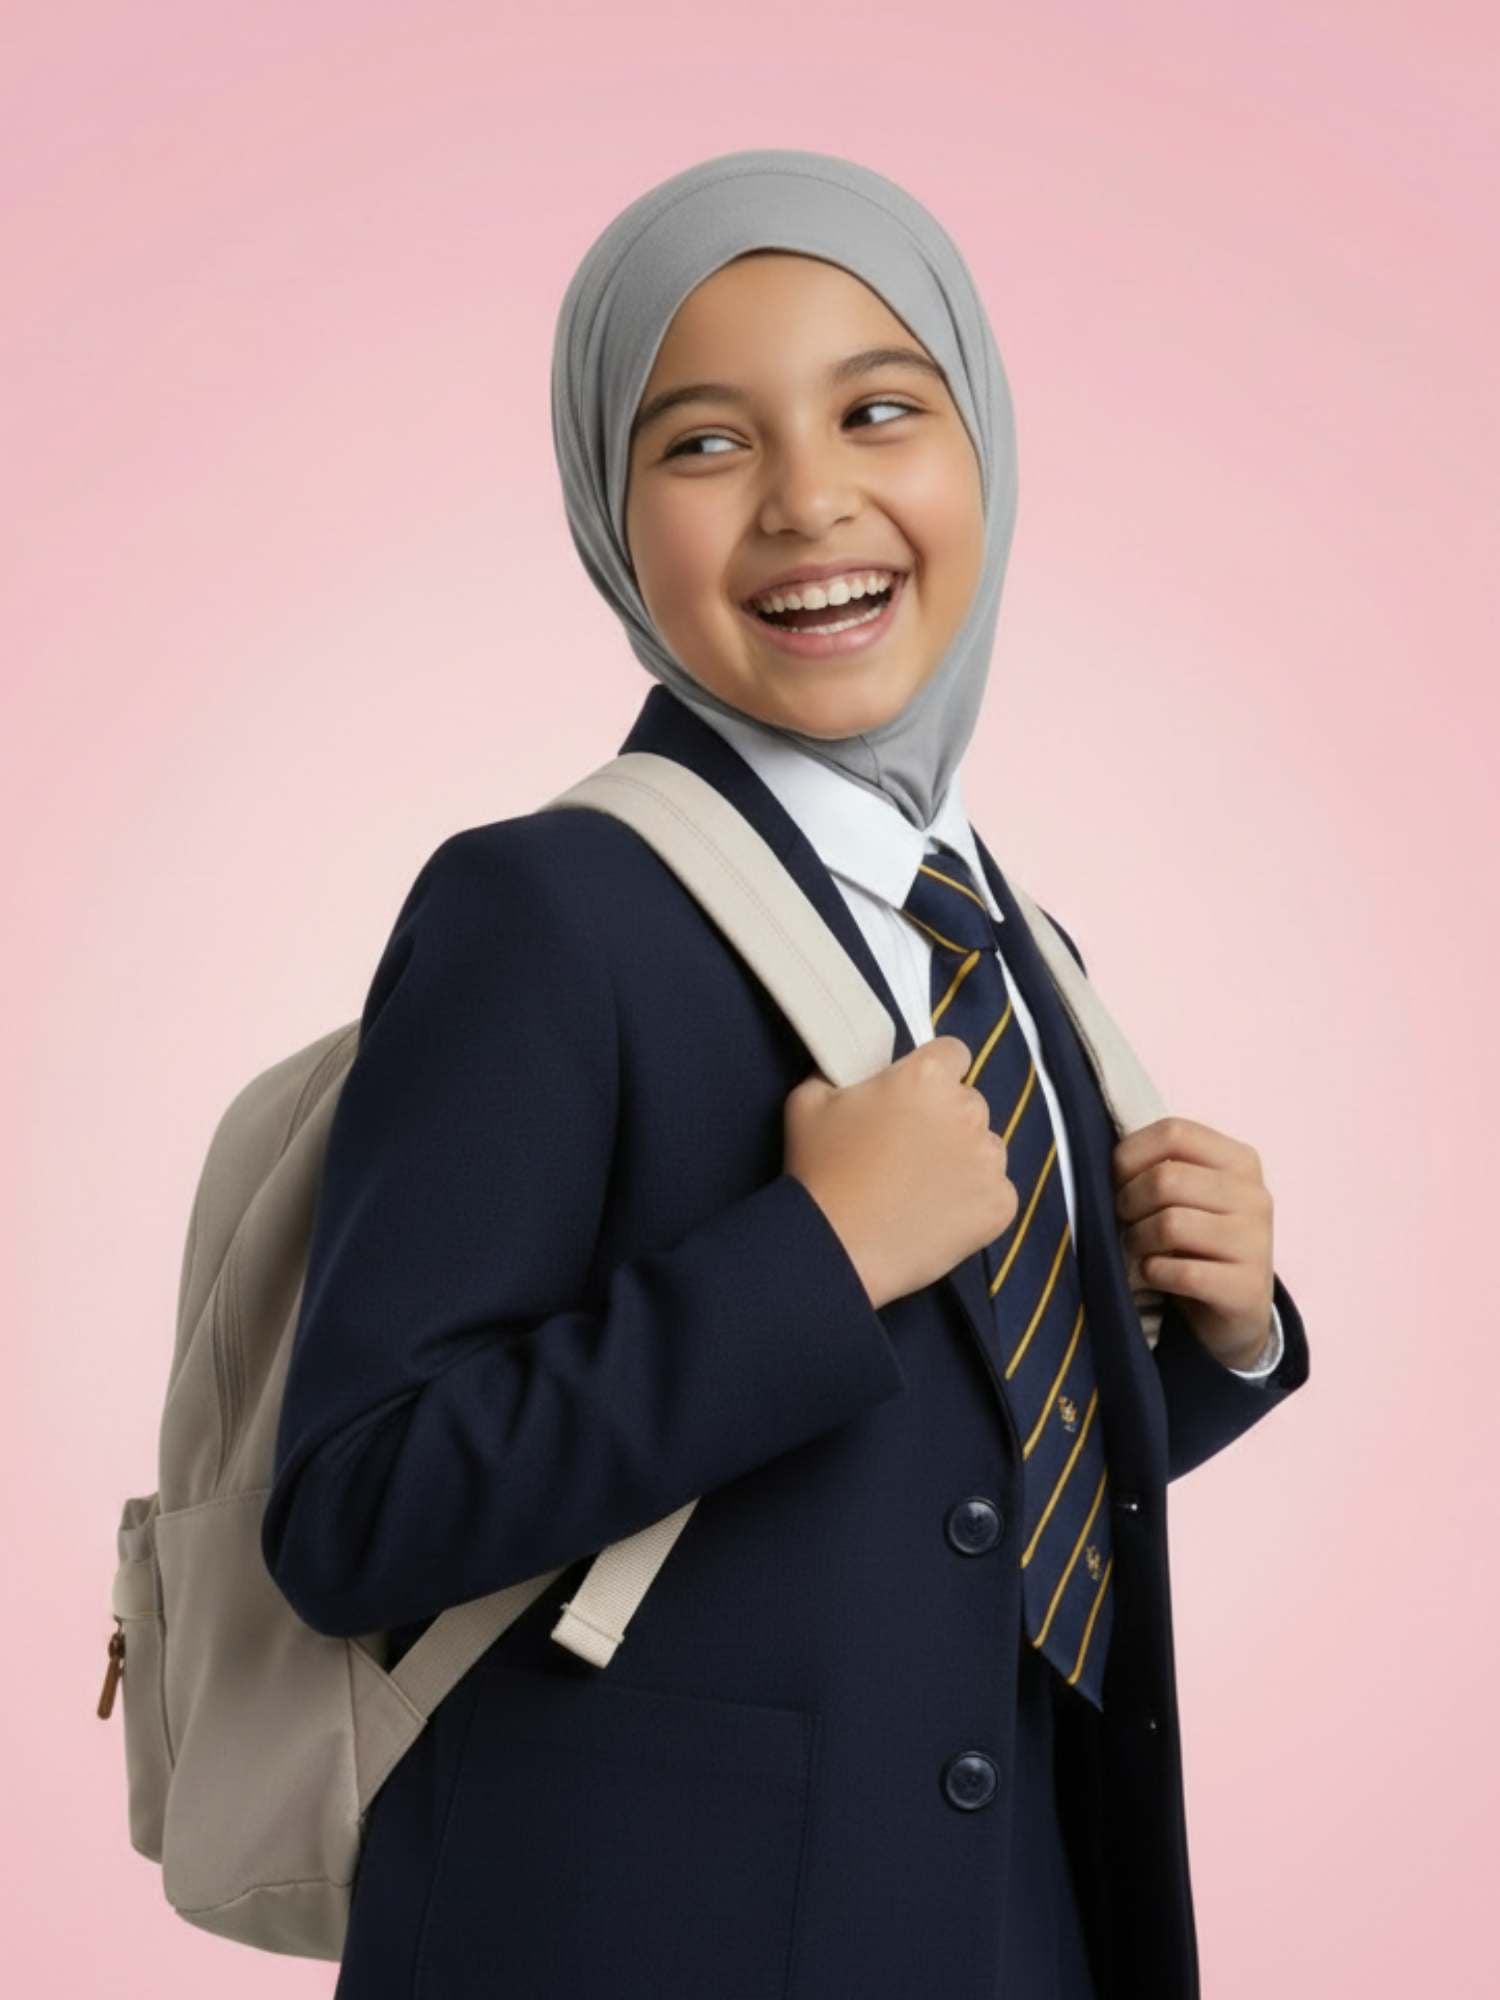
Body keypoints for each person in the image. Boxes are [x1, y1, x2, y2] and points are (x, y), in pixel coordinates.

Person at [262, 148, 1309, 2000]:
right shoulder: (548, 910)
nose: (810, 499)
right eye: (703, 442)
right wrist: (814, 1255)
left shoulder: (998, 935)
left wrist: (1201, 1341)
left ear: (980, 442)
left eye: (880, 409)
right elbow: (360, 1513)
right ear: (609, 506)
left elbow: (956, 1483)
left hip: (1009, 1923)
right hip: (640, 1935)